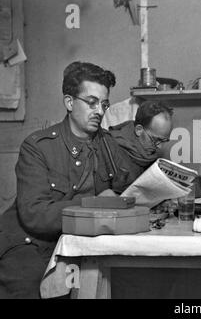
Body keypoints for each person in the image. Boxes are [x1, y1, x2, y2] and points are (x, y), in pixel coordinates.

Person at [0, 61, 140, 298]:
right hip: (31, 244)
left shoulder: (107, 143)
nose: (99, 111)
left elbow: (129, 187)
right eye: (92, 102)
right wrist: (95, 203)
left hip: (79, 244)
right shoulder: (38, 147)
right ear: (69, 102)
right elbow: (36, 215)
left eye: (104, 104)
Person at [108, 100, 173, 175]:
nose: (159, 147)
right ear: (139, 130)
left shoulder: (150, 156)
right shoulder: (109, 149)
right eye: (155, 140)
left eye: (164, 141)